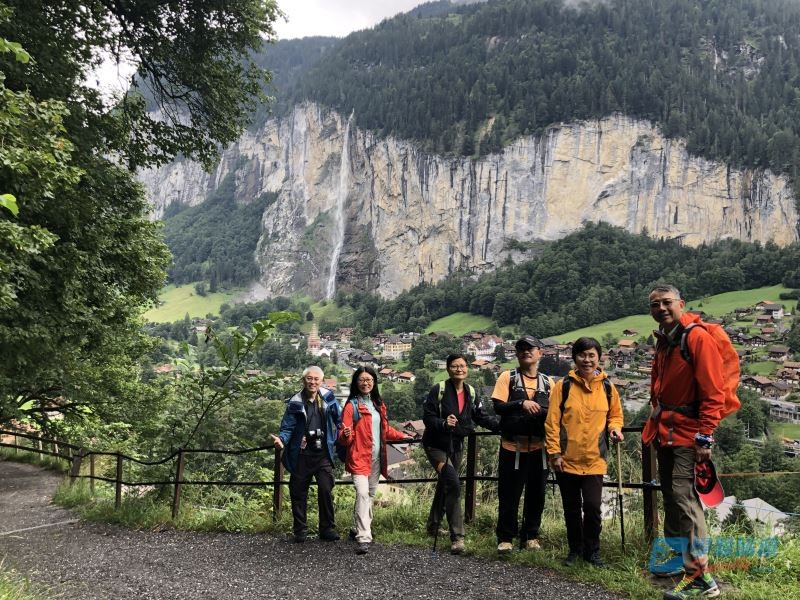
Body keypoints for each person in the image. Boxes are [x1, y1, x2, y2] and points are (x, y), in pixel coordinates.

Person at [643, 284, 724, 600]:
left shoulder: (696, 338)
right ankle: (679, 559)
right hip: (665, 432)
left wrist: (705, 436)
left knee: (684, 497)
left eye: (667, 302)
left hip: (689, 434)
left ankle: (700, 577)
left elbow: (713, 392)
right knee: (671, 496)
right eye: (655, 304)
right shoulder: (665, 341)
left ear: (681, 304)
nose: (661, 308)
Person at [545, 337, 624, 567]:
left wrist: (615, 429)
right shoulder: (563, 387)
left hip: (594, 459)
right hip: (566, 459)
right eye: (582, 355)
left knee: (592, 507)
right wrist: (554, 453)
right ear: (575, 358)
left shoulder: (608, 387)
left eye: (591, 355)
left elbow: (615, 415)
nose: (587, 360)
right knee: (571, 508)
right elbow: (552, 423)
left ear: (599, 358)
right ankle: (575, 550)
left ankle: (593, 552)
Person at [421, 353, 498, 555]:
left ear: (467, 369)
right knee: (453, 483)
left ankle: (433, 525)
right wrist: (443, 423)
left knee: (446, 483)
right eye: (455, 366)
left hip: (456, 446)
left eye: (462, 366)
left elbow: (480, 416)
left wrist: (501, 427)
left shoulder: (471, 392)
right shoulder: (439, 390)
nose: (459, 369)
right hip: (436, 446)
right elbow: (427, 417)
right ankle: (457, 537)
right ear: (448, 369)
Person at [337, 366, 409, 555]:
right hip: (358, 458)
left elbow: (385, 430)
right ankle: (364, 537)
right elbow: (344, 438)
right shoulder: (351, 406)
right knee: (362, 493)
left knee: (368, 495)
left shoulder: (378, 404)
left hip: (377, 458)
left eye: (369, 379)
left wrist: (402, 436)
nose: (365, 383)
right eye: (362, 380)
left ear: (374, 382)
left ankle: (356, 528)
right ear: (356, 383)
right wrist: (346, 434)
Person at [491, 335, 552, 553]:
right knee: (509, 494)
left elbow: (555, 414)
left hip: (539, 448)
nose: (526, 351)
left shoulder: (548, 382)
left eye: (531, 348)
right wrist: (521, 403)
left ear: (539, 353)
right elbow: (498, 406)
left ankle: (531, 536)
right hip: (512, 447)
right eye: (521, 348)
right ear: (516, 354)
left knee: (537, 494)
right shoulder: (507, 377)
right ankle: (506, 538)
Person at [271, 365, 342, 543]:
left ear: (321, 381)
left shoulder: (328, 397)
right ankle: (300, 530)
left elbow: (340, 419)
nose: (313, 382)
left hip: (323, 452)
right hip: (301, 453)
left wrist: (346, 432)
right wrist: (282, 440)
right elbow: (287, 427)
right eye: (309, 378)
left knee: (326, 489)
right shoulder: (295, 402)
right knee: (298, 492)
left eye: (316, 379)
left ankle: (327, 529)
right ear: (303, 380)